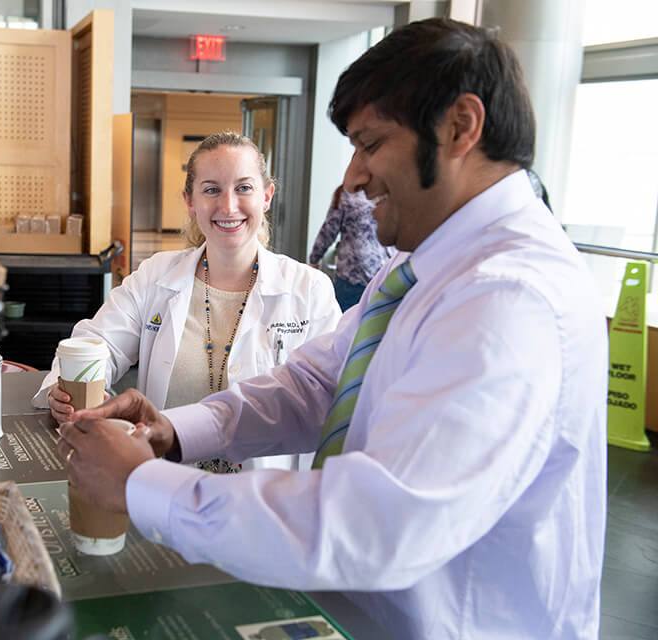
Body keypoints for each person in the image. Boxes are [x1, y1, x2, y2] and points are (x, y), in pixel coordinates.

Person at [57, 18, 607, 640]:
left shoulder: (508, 299)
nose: (353, 178)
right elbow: (318, 382)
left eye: (371, 144)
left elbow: (374, 523)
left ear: (460, 127)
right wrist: (174, 432)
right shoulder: (425, 262)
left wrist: (142, 484)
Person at [35, 132, 341, 473]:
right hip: (164, 490)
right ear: (190, 200)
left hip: (261, 503)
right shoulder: (156, 276)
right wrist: (64, 389)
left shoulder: (309, 290)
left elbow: (332, 400)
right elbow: (98, 343)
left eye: (244, 188)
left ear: (267, 196)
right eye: (211, 189)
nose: (228, 206)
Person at [308, 183, 393, 310]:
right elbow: (328, 231)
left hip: (359, 276)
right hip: (370, 276)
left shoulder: (347, 194)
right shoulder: (386, 192)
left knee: (343, 323)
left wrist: (314, 260)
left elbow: (328, 231)